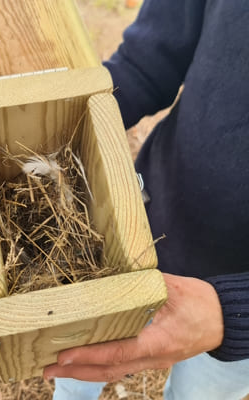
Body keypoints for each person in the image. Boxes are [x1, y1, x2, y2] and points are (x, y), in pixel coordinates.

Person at [43, 0, 249, 399]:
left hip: (241, 319)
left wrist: (236, 312)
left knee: (199, 395)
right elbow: (145, 63)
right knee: (76, 370)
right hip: (144, 220)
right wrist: (57, 122)